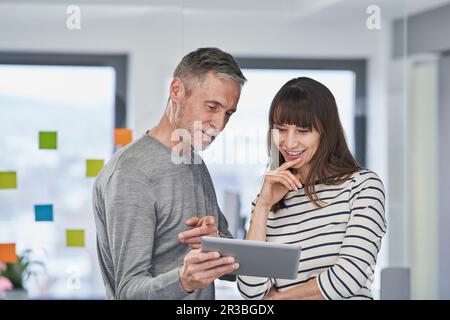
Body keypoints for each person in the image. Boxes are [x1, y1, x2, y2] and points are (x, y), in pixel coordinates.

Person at [92, 47, 247, 300]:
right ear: (177, 91)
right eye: (212, 107)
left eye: (228, 113)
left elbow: (230, 270)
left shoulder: (194, 162)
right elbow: (128, 292)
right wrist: (184, 280)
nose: (219, 124)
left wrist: (216, 241)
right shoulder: (131, 173)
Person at [237, 77, 386, 300]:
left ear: (325, 132)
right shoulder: (269, 199)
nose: (289, 142)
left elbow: (349, 277)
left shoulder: (362, 187)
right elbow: (251, 291)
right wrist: (263, 205)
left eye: (303, 130)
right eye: (281, 129)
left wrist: (279, 298)